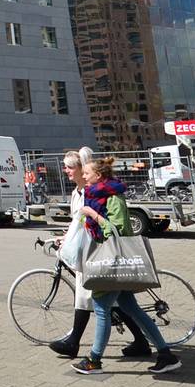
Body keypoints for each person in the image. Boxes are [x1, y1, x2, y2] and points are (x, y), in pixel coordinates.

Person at [69, 157, 181, 375]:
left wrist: (92, 215)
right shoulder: (96, 196)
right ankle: (166, 354)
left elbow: (118, 231)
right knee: (133, 310)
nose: (84, 175)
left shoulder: (113, 198)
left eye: (87, 173)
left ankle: (94, 360)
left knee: (101, 308)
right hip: (112, 263)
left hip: (113, 262)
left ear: (98, 176)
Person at [49, 147, 150, 359]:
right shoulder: (77, 193)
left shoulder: (91, 192)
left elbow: (98, 222)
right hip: (90, 248)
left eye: (70, 167)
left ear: (80, 169)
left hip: (96, 250)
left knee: (93, 298)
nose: (66, 171)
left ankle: (83, 349)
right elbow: (77, 222)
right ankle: (143, 342)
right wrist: (66, 236)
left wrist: (81, 230)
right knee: (117, 301)